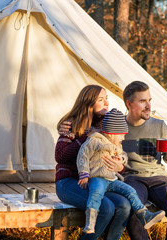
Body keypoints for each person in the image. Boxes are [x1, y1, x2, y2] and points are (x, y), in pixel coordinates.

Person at [55, 85, 131, 240]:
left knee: (124, 206)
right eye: (101, 100)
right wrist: (86, 137)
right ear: (89, 103)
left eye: (107, 99)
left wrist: (119, 166)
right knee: (106, 208)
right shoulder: (72, 124)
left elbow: (116, 154)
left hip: (96, 181)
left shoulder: (107, 124)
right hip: (68, 182)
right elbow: (60, 156)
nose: (106, 103)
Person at [77, 108, 165, 234]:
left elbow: (124, 154)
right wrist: (84, 173)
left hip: (111, 180)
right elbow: (82, 156)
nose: (123, 138)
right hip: (97, 178)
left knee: (130, 190)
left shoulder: (117, 145)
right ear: (112, 133)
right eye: (122, 134)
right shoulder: (94, 141)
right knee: (96, 194)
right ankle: (90, 223)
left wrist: (121, 159)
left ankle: (144, 215)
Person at [121, 81, 167, 240]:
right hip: (133, 177)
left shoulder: (159, 125)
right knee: (134, 213)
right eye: (142, 101)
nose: (148, 105)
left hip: (159, 178)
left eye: (149, 100)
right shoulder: (119, 126)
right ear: (129, 104)